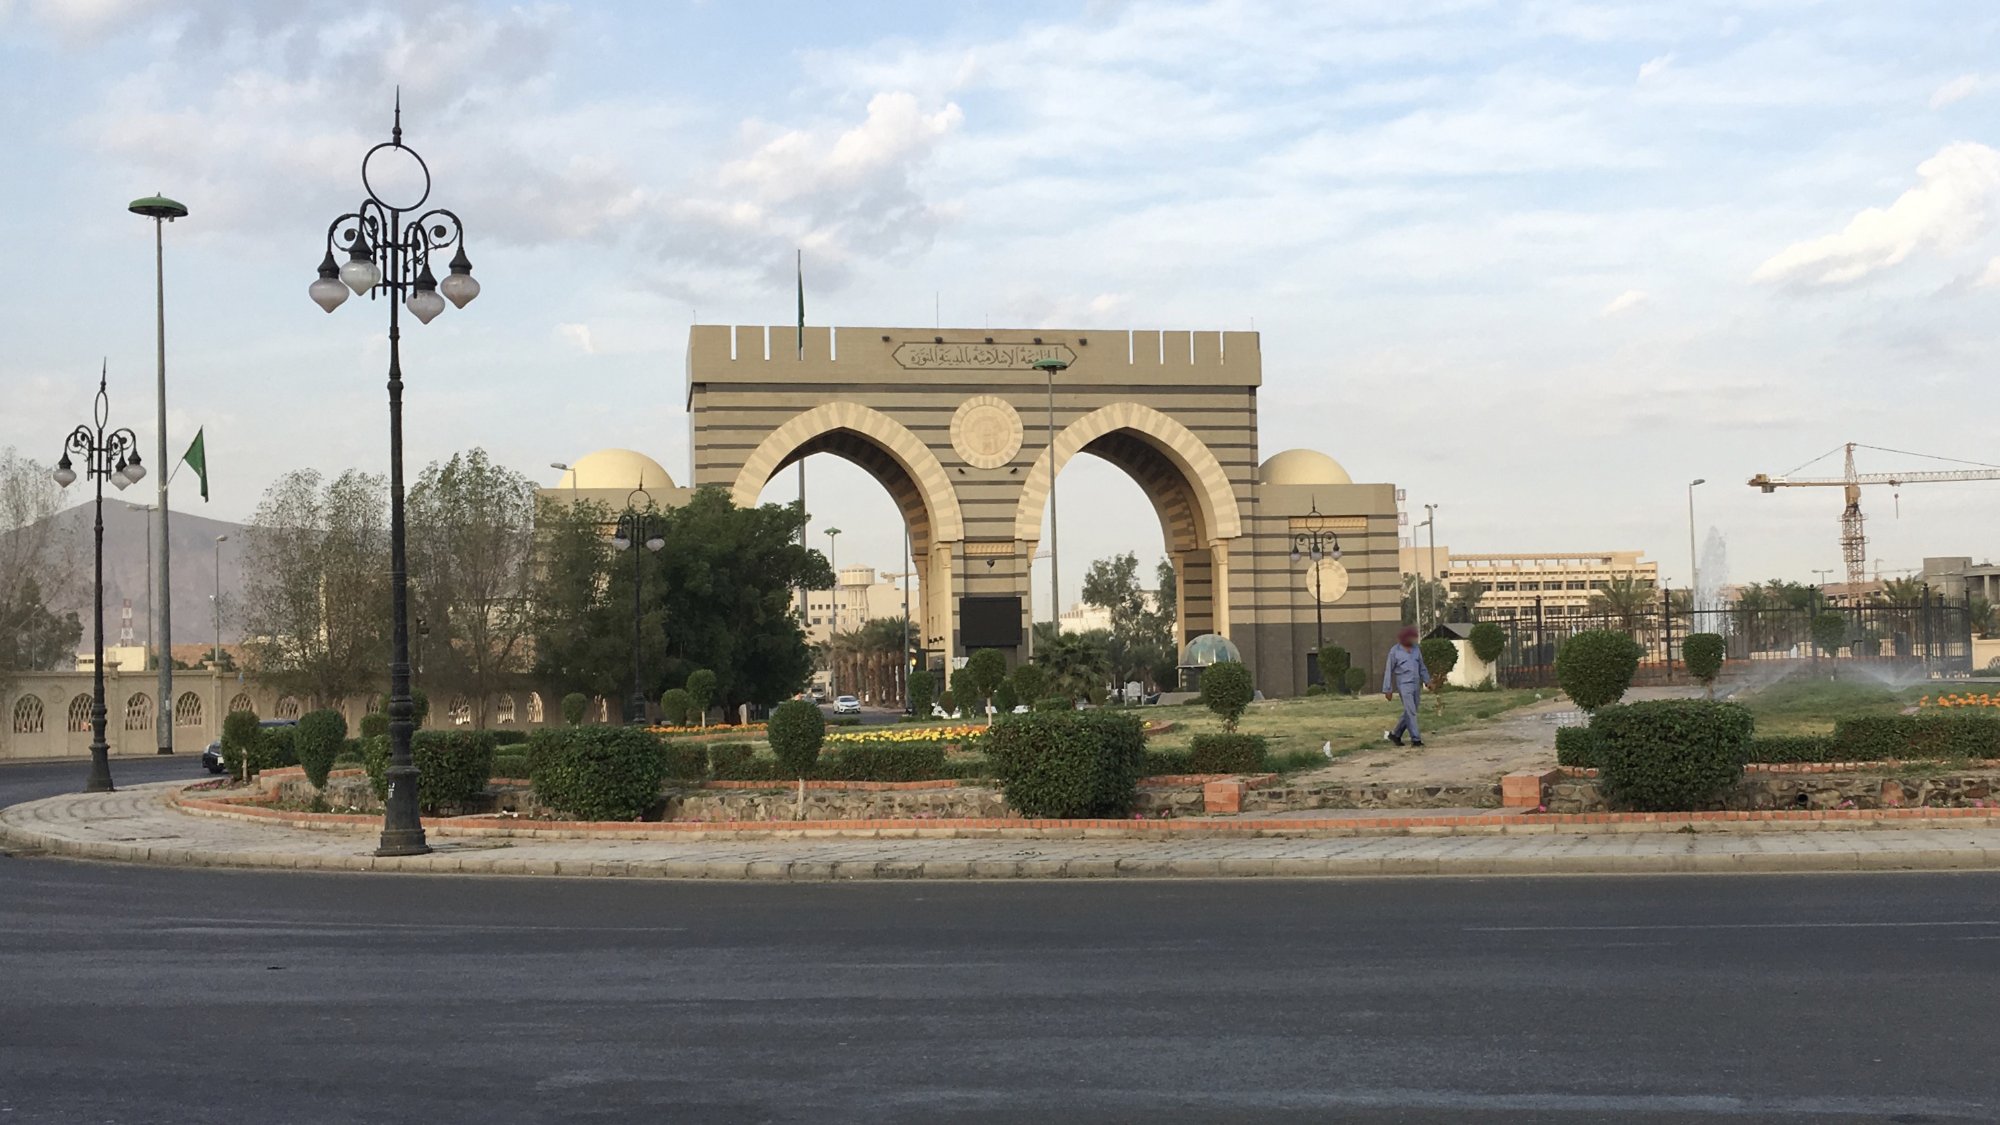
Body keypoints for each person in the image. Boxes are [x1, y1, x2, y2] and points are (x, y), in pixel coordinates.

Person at [1381, 626, 1436, 747]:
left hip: (1416, 684)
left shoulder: (1416, 650)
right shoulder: (1395, 651)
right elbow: (1388, 670)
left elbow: (1422, 667)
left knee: (1412, 710)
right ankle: (1416, 739)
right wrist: (1387, 689)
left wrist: (1427, 681)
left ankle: (1396, 734)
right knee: (1411, 711)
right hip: (1404, 684)